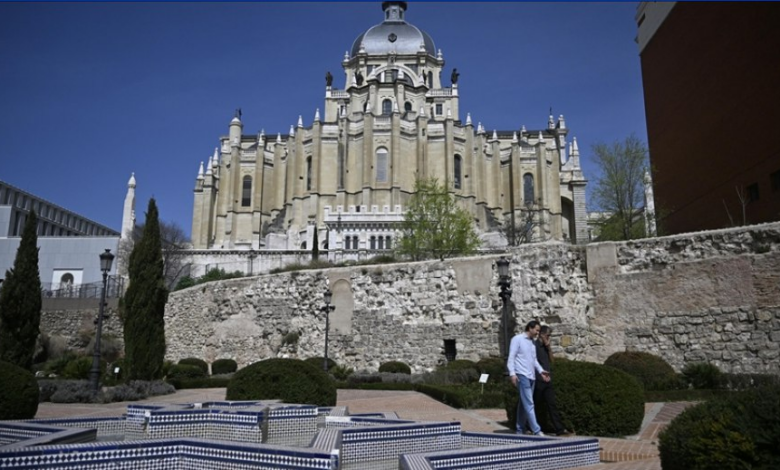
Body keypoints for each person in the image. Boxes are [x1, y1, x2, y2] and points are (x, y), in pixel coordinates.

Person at [507, 320, 549, 436]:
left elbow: (534, 360)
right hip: (522, 375)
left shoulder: (532, 343)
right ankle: (536, 430)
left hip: (532, 376)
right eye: (537, 330)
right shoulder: (517, 339)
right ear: (530, 328)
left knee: (523, 403)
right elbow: (511, 357)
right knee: (529, 403)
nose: (538, 333)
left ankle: (520, 429)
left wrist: (541, 371)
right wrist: (512, 374)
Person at [534, 325, 571, 436]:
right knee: (534, 404)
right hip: (538, 380)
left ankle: (559, 429)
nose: (549, 337)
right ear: (541, 334)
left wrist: (548, 347)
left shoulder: (546, 347)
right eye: (548, 335)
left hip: (547, 380)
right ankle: (528, 425)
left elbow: (552, 361)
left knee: (552, 404)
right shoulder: (534, 346)